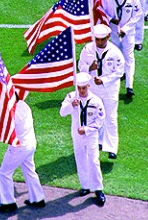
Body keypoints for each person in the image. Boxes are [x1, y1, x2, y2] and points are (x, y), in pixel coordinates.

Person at [78, 25, 125, 159]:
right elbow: (80, 66)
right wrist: (89, 67)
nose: (99, 42)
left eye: (102, 39)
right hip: (93, 88)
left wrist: (104, 80)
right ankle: (98, 141)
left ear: (108, 37)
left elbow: (119, 72)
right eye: (97, 39)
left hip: (109, 89)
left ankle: (111, 147)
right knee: (94, 115)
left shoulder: (115, 52)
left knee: (110, 117)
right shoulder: (88, 49)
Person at [59, 72, 106, 206]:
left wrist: (86, 129)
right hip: (77, 136)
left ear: (88, 86)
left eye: (84, 88)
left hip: (90, 136)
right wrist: (71, 105)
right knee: (80, 159)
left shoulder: (96, 101)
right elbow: (62, 113)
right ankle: (85, 185)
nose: (81, 91)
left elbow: (100, 120)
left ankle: (98, 189)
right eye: (79, 88)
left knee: (93, 161)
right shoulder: (71, 97)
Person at [0, 93, 46, 213]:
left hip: (19, 148)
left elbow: (5, 130)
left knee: (4, 172)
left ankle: (8, 203)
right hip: (31, 144)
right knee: (29, 170)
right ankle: (38, 198)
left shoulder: (13, 113)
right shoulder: (24, 105)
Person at [99, 0, 143, 97]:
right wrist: (111, 19)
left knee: (129, 57)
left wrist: (126, 28)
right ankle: (114, 80)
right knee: (115, 57)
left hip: (128, 34)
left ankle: (129, 86)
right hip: (113, 33)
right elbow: (100, 10)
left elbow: (137, 14)